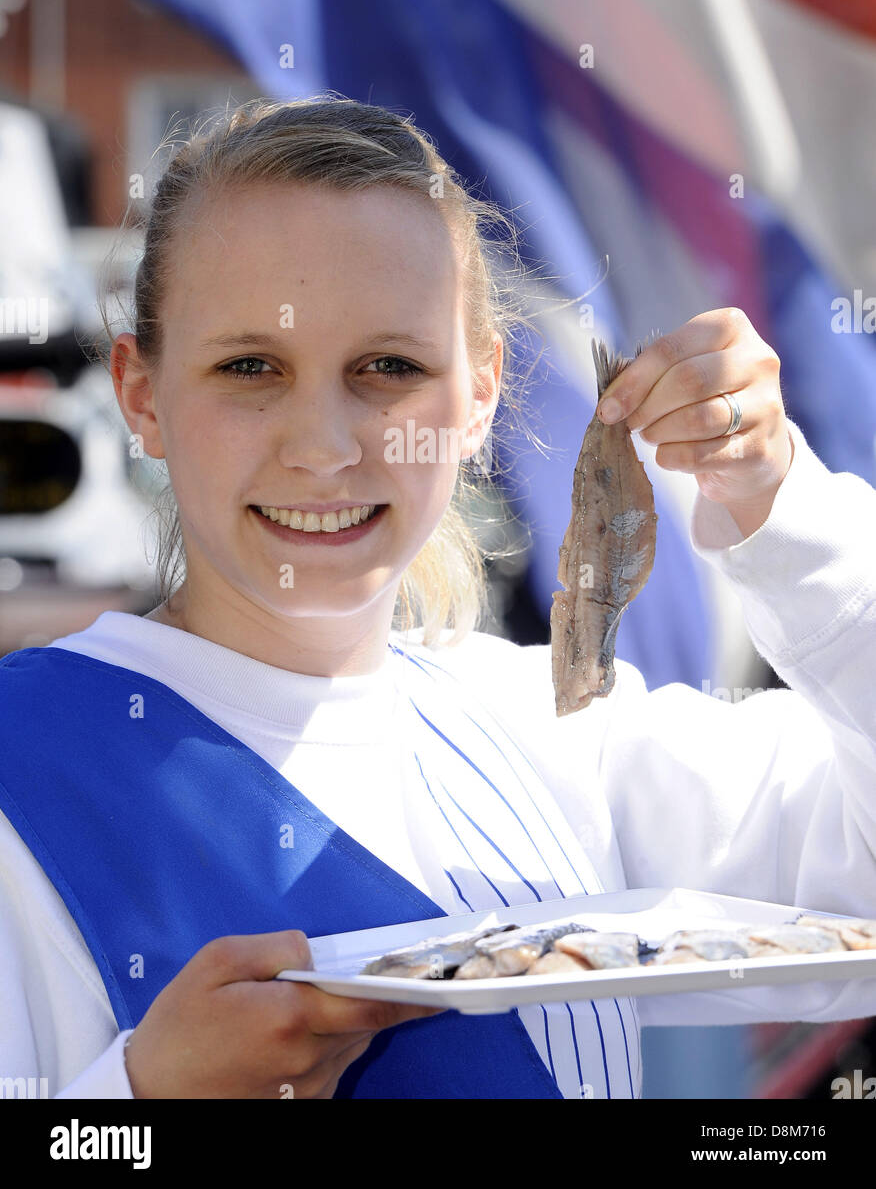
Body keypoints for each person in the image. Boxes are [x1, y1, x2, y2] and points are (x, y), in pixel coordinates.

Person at [1, 94, 875, 1101]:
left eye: (388, 367)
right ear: (141, 395)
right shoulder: (22, 772)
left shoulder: (552, 736)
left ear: (480, 395)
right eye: (251, 366)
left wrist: (781, 505)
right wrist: (141, 1099)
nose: (323, 446)